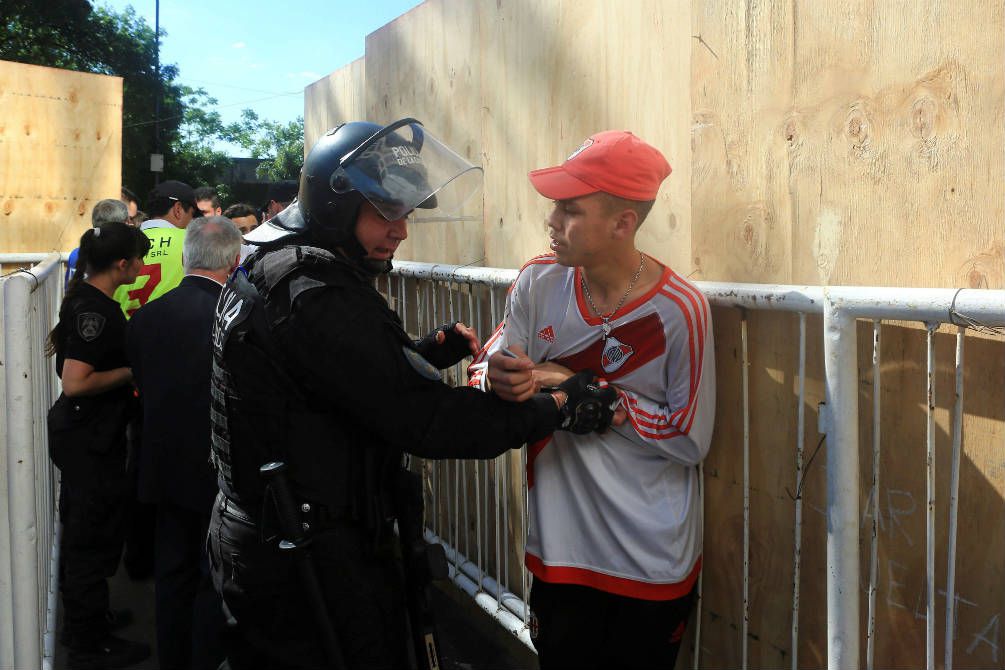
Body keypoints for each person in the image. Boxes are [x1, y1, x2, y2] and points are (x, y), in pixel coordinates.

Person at [207, 118, 617, 670]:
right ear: (336, 206)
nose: (400, 230)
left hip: (272, 537)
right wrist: (559, 406)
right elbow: (432, 422)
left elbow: (324, 379)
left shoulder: (272, 259)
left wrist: (420, 353)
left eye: (405, 213)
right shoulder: (316, 292)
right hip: (306, 557)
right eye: (385, 213)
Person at [469, 130, 716, 670]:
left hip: (650, 558)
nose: (551, 220)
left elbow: (690, 437)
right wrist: (497, 379)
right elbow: (484, 367)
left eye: (570, 209)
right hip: (561, 552)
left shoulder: (680, 309)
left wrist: (599, 398)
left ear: (622, 224)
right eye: (555, 206)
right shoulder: (537, 281)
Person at [126, 216, 241, 670]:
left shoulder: (146, 318)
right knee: (213, 578)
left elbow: (141, 384)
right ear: (234, 262)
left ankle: (172, 660)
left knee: (171, 575)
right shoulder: (235, 318)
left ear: (186, 255)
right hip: (219, 469)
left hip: (162, 464)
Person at [45, 222, 153, 669]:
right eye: (139, 259)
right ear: (121, 264)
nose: (143, 266)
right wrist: (130, 372)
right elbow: (75, 382)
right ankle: (89, 645)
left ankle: (87, 621)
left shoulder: (91, 299)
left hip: (88, 436)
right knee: (91, 538)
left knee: (87, 530)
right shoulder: (96, 311)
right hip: (89, 438)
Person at [113, 180, 199, 317]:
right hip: (169, 327)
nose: (192, 221)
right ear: (178, 209)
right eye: (192, 214)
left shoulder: (118, 242)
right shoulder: (192, 241)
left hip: (124, 327)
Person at [66, 198, 131, 287]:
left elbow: (69, 289)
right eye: (129, 221)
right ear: (125, 224)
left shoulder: (77, 254)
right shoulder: (123, 257)